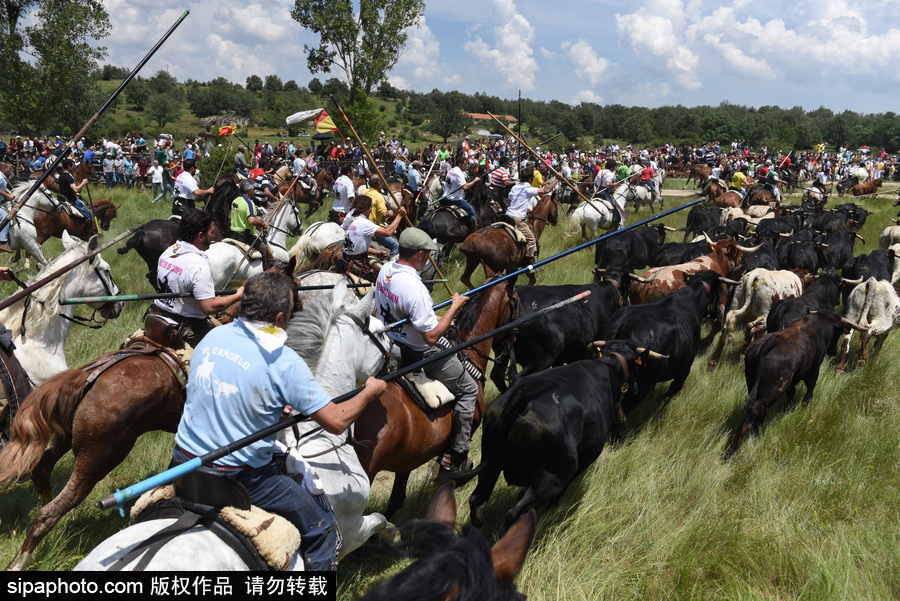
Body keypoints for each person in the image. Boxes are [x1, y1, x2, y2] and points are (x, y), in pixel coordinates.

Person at [172, 270, 387, 570]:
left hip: (182, 462)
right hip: (238, 478)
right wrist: (369, 392)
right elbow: (337, 421)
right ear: (281, 317)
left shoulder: (213, 336)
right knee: (323, 530)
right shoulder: (284, 362)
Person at [374, 228, 478, 477]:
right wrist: (454, 307)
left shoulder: (385, 270)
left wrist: (435, 318)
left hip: (390, 344)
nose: (430, 258)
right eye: (428, 254)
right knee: (469, 389)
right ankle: (457, 454)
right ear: (420, 254)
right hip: (419, 352)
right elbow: (431, 336)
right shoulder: (415, 287)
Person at [150, 209, 242, 346]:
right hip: (187, 326)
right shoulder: (198, 264)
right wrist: (239, 294)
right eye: (211, 233)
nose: (213, 238)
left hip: (157, 316)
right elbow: (209, 307)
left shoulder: (169, 251)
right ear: (200, 236)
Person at [341, 195, 404, 280]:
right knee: (387, 278)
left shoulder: (350, 216)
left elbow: (357, 246)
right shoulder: (364, 223)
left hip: (346, 258)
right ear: (368, 209)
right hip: (357, 262)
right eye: (371, 207)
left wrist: (376, 252)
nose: (371, 209)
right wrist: (399, 216)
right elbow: (388, 232)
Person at [506, 170, 557, 263]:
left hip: (507, 216)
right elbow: (545, 190)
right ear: (530, 179)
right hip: (517, 219)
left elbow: (510, 199)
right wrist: (556, 180)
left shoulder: (515, 187)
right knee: (532, 240)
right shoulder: (528, 188)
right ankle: (530, 262)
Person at [444, 155, 478, 228]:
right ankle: (472, 229)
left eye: (467, 164)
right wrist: (475, 180)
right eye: (465, 164)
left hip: (446, 196)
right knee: (472, 212)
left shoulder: (451, 170)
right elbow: (465, 187)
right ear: (460, 164)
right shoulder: (459, 173)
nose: (466, 166)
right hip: (456, 199)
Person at [0, 163, 15, 252]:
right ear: (4, 169)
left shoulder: (2, 177)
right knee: (6, 216)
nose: (11, 171)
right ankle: (2, 242)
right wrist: (8, 196)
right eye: (10, 169)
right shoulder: (0, 177)